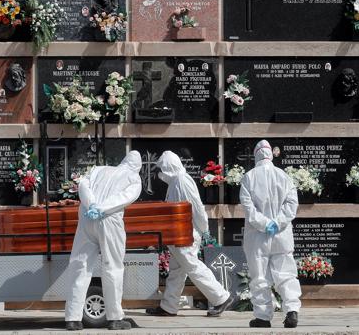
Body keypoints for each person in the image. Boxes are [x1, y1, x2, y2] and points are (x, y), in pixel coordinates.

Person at [146, 151, 233, 317]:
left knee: (193, 267)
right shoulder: (176, 181)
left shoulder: (182, 181)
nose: (160, 173)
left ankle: (221, 297)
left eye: (163, 168)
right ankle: (169, 306)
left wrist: (203, 228)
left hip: (186, 234)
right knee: (177, 271)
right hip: (179, 234)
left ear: (168, 167)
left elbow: (196, 207)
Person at [64, 151, 142, 331]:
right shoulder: (133, 179)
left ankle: (73, 318)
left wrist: (91, 204)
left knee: (80, 265)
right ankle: (115, 318)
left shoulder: (99, 169)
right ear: (137, 167)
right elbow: (124, 198)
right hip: (109, 219)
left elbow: (83, 184)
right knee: (112, 266)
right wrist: (101, 208)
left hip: (87, 218)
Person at [240, 140, 301, 328]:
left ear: (256, 155)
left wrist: (265, 224)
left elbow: (249, 210)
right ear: (270, 155)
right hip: (281, 235)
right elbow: (291, 205)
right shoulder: (284, 176)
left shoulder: (248, 178)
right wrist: (277, 223)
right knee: (286, 274)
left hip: (257, 236)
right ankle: (291, 310)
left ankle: (263, 317)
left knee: (259, 277)